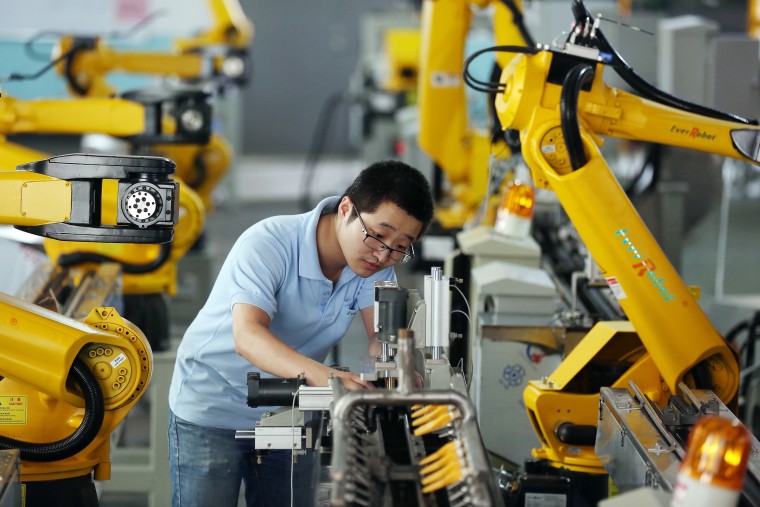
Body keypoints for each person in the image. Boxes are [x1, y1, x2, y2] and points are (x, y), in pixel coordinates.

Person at [168, 159, 435, 507]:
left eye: (401, 246)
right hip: (213, 406)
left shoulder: (374, 267)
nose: (384, 254)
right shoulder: (269, 244)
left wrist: (393, 368)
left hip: (291, 407)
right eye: (378, 235)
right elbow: (247, 336)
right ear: (346, 209)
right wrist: (331, 378)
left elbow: (380, 338)